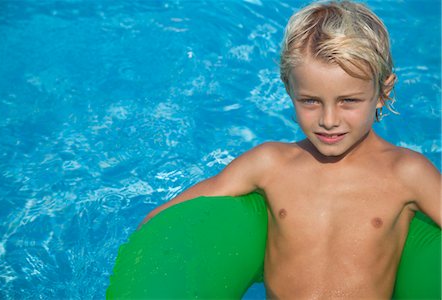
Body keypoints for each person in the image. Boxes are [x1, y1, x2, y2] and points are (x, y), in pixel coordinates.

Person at [139, 0, 441, 298]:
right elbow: (166, 219)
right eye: (310, 100)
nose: (329, 120)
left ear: (382, 93)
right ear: (289, 90)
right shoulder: (270, 164)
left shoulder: (407, 173)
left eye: (348, 101)